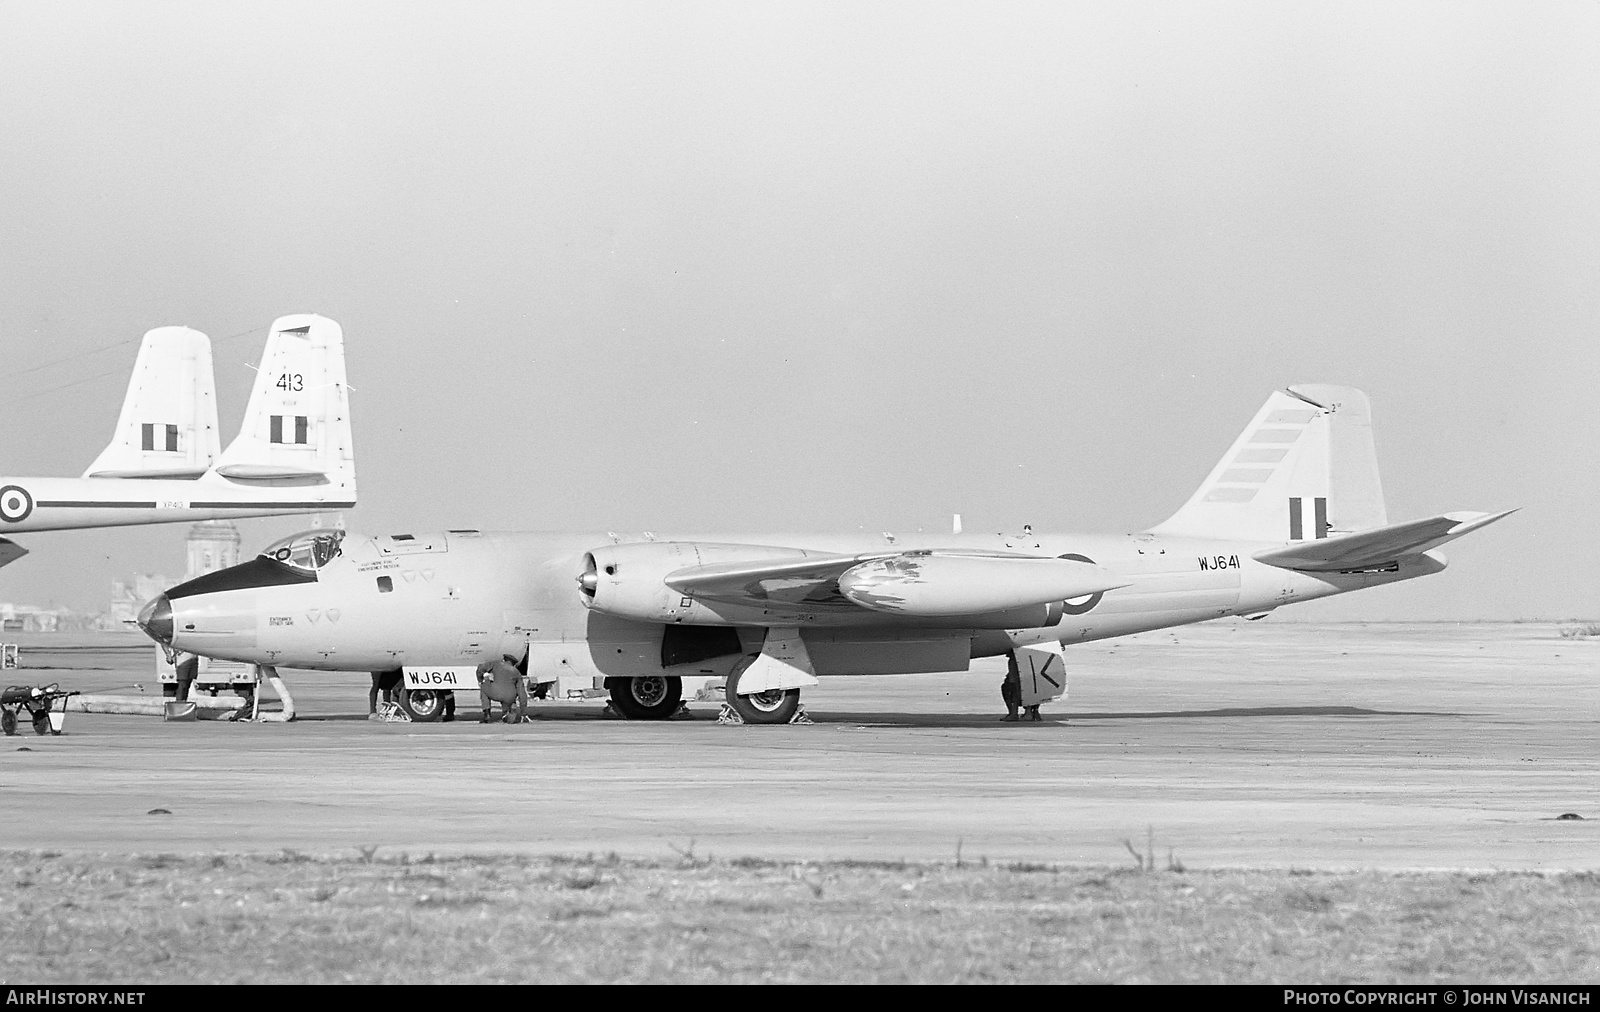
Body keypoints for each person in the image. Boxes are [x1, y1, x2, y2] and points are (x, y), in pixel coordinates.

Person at [476, 654, 527, 724]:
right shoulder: (517, 672)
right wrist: (524, 713)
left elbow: (481, 668)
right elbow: (522, 693)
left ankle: (487, 713)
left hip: (495, 693)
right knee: (510, 695)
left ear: (504, 659)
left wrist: (480, 679)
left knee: (484, 687)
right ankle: (508, 712)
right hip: (510, 697)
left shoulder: (496, 664)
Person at [1000, 653, 1021, 722]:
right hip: (1015, 680)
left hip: (1013, 681)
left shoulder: (1014, 661)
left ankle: (1013, 713)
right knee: (1012, 694)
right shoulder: (1016, 660)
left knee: (1011, 694)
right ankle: (1013, 713)